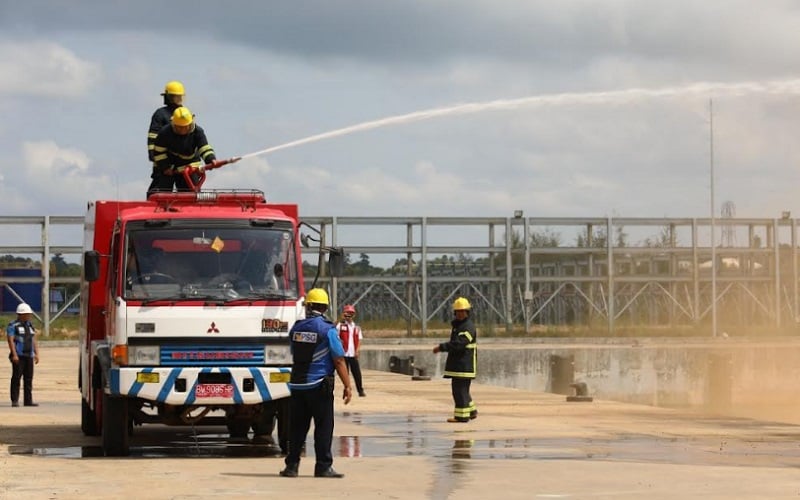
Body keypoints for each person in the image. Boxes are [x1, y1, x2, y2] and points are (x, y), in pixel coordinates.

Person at [280, 288, 352, 479]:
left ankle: (292, 467)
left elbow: (294, 349)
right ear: (326, 306)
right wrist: (348, 385)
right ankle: (323, 466)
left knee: (297, 428)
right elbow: (339, 360)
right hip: (319, 385)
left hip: (297, 385)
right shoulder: (327, 330)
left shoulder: (296, 328)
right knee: (323, 426)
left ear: (308, 306)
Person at [147, 106, 217, 197]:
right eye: (179, 127)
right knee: (162, 189)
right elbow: (159, 152)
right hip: (169, 164)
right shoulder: (165, 133)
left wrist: (211, 159)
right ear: (173, 124)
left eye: (185, 127)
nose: (182, 130)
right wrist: (165, 167)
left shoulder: (198, 132)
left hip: (189, 165)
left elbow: (204, 148)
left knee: (190, 193)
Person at [432, 297, 477, 423]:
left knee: (459, 391)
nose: (460, 314)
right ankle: (472, 412)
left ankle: (462, 417)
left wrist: (441, 347)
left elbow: (459, 344)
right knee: (463, 391)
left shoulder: (468, 327)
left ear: (467, 312)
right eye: (458, 311)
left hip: (464, 365)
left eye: (462, 311)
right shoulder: (459, 326)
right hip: (459, 365)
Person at [6, 303, 39, 407]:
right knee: (16, 378)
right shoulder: (13, 325)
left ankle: (28, 400)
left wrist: (36, 353)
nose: (29, 316)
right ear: (20, 314)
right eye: (27, 314)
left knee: (28, 379)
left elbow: (33, 339)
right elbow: (10, 340)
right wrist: (14, 354)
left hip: (29, 355)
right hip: (18, 356)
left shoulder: (30, 325)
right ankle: (15, 400)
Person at [147, 80, 185, 162]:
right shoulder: (160, 114)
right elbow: (153, 135)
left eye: (181, 96)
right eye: (177, 96)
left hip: (183, 159)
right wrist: (153, 154)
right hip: (164, 160)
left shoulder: (185, 114)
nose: (180, 99)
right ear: (169, 97)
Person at [337, 304, 365, 397]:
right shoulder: (340, 326)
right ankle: (346, 390)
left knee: (357, 373)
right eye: (347, 313)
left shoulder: (356, 328)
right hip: (344, 354)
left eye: (351, 314)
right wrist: (340, 319)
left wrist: (357, 350)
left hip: (352, 354)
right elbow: (334, 332)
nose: (349, 316)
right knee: (345, 374)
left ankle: (360, 390)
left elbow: (359, 340)